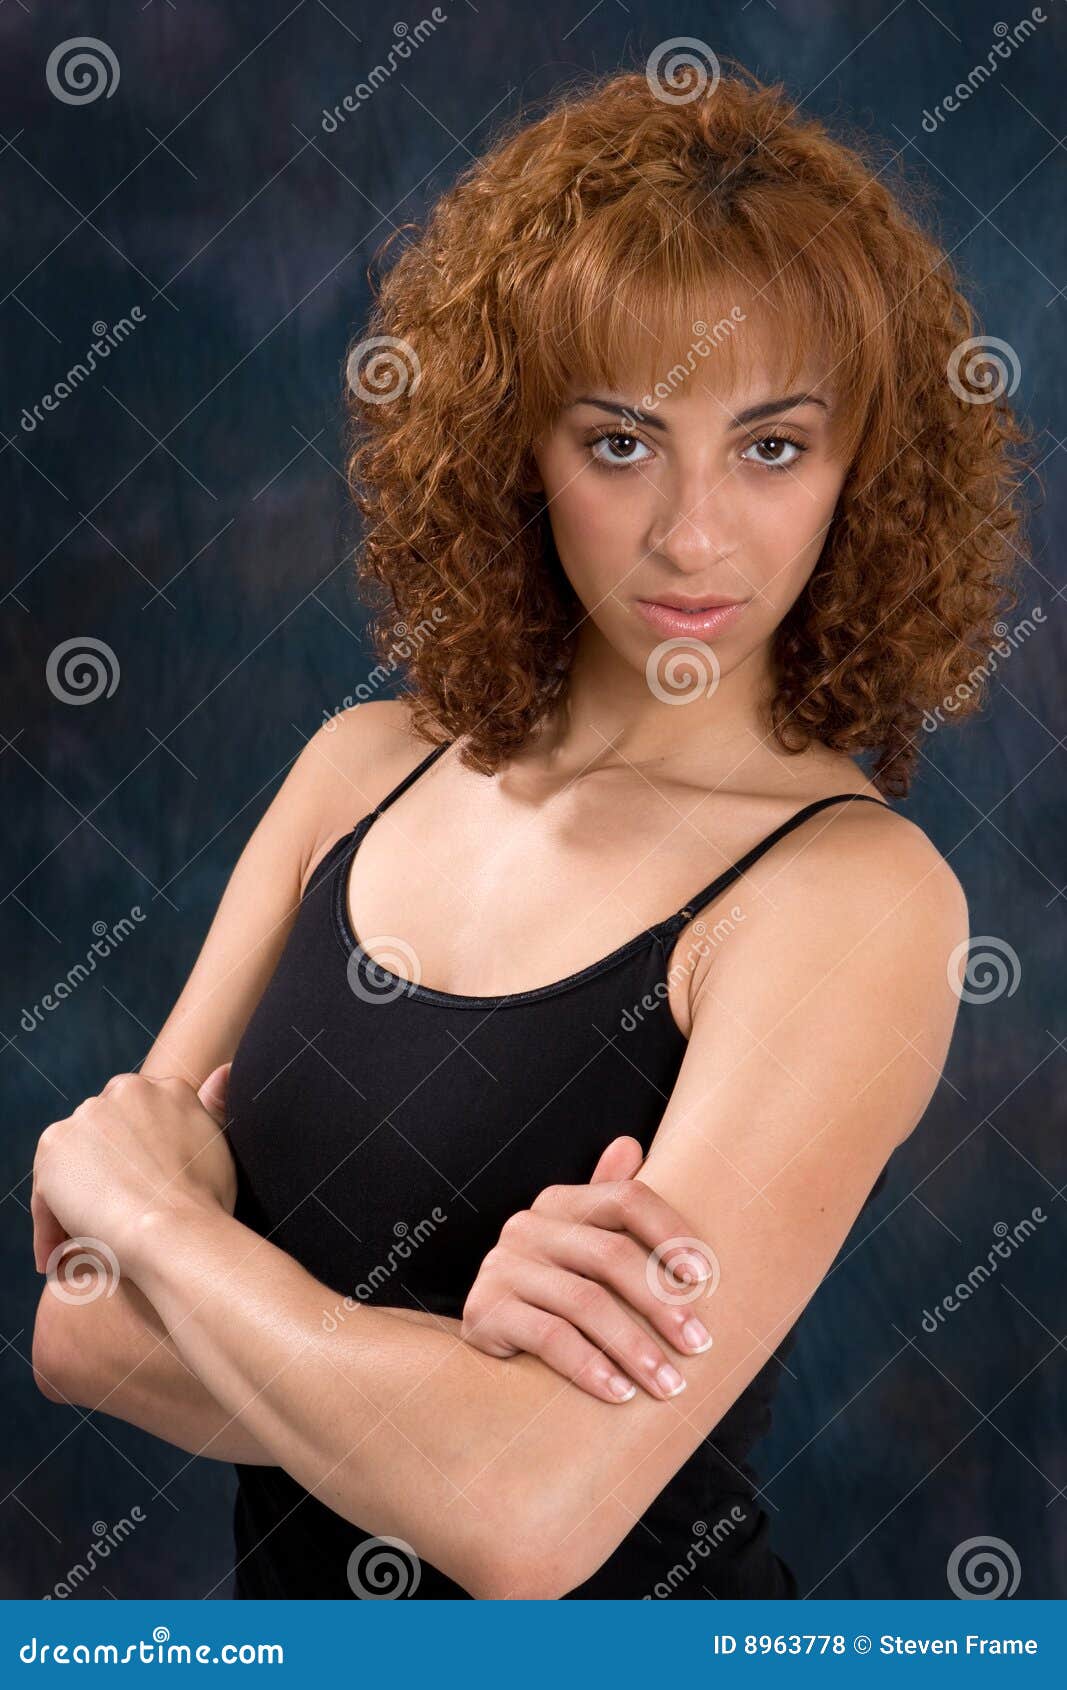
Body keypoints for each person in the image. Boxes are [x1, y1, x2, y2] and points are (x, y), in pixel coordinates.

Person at [31, 61, 1028, 1601]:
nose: (695, 533)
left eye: (772, 446)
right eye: (621, 441)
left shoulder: (855, 894)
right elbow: (79, 1328)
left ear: (866, 468)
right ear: (514, 445)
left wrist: (154, 1211)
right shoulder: (354, 773)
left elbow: (528, 1522)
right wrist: (455, 1391)